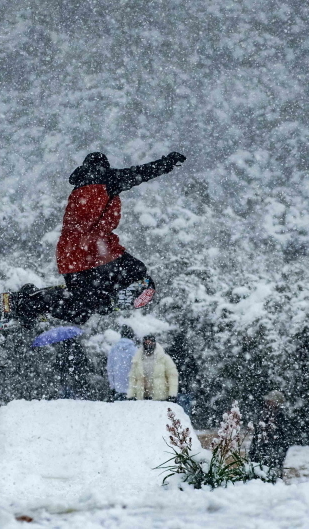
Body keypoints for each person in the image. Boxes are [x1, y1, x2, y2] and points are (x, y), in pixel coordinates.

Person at [12, 151, 186, 325]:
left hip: (69, 255)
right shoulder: (105, 180)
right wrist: (167, 163)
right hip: (94, 252)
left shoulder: (79, 188)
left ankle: (32, 303)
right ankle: (102, 297)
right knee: (137, 274)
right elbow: (140, 172)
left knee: (81, 310)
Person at [248, 390, 293, 473]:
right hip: (258, 457)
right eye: (267, 401)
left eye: (270, 401)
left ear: (277, 403)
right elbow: (256, 436)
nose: (267, 402)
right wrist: (252, 454)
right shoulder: (263, 415)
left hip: (273, 458)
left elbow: (285, 440)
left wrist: (275, 457)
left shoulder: (282, 418)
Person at [127, 334, 179, 401]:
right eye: (146, 343)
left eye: (150, 343)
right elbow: (133, 378)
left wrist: (172, 394)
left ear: (154, 343)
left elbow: (172, 376)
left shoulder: (164, 358)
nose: (148, 345)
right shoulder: (137, 360)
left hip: (161, 397)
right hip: (142, 398)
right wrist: (131, 395)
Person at [106, 325, 138, 400]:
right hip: (131, 388)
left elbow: (110, 368)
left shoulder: (113, 349)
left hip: (117, 388)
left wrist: (112, 385)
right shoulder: (134, 350)